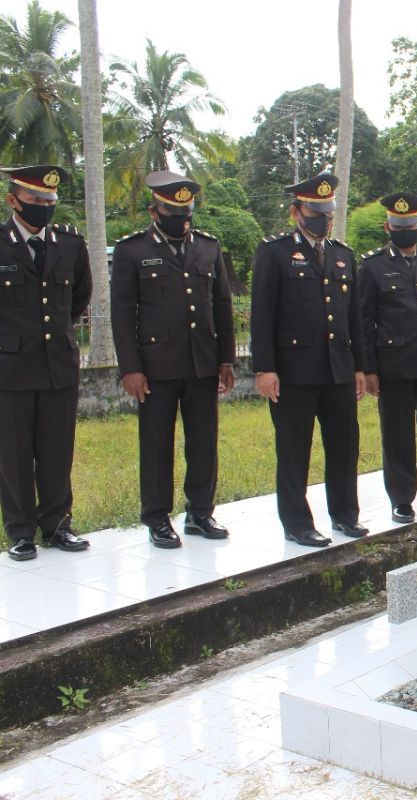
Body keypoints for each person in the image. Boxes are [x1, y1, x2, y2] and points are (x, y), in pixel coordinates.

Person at [110, 170, 236, 549]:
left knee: (203, 441)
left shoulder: (208, 248)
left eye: (186, 211)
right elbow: (122, 313)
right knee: (156, 443)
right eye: (172, 212)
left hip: (202, 362)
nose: (181, 219)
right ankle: (157, 517)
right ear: (154, 211)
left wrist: (226, 360)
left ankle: (200, 512)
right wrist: (130, 368)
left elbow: (222, 306)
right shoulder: (133, 251)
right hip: (155, 367)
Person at [250, 172, 368, 547]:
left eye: (327, 211)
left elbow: (354, 319)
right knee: (293, 449)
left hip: (337, 370)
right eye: (314, 211)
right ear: (296, 212)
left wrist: (360, 368)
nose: (323, 218)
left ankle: (345, 515)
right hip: (293, 373)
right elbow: (262, 314)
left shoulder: (342, 254)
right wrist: (264, 368)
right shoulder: (274, 253)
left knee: (344, 445)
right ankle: (297, 523)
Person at [1, 165, 92, 561]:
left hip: (58, 364)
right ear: (12, 200)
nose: (43, 208)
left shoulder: (70, 244)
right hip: (10, 368)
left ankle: (57, 524)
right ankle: (20, 531)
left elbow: (79, 297)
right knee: (14, 452)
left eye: (49, 202)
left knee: (57, 449)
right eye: (35, 201)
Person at [359, 191, 417, 526]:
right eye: (398, 225)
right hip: (394, 366)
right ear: (387, 226)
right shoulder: (372, 266)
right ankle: (401, 499)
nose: (405, 230)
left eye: (410, 225)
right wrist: (369, 368)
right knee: (397, 434)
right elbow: (364, 321)